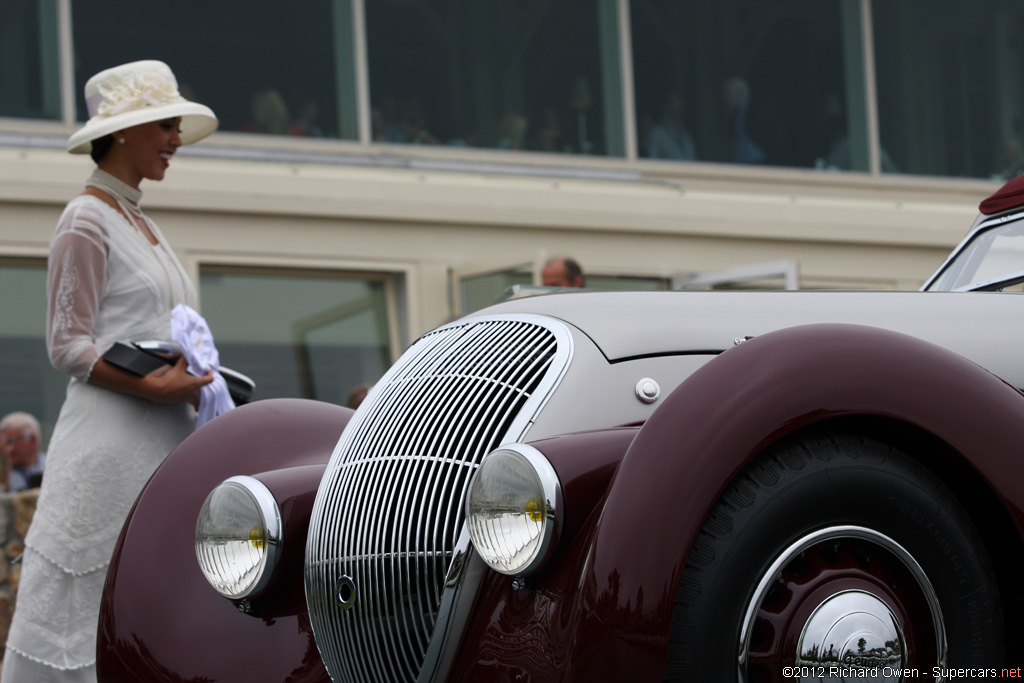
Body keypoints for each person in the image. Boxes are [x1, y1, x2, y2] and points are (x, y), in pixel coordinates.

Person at [1, 60, 218, 682]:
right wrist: (152, 384)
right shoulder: (86, 217)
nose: (176, 139)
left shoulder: (143, 223)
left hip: (164, 440)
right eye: (166, 125)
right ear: (125, 131)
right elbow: (67, 344)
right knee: (92, 606)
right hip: (112, 442)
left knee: (152, 603)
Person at [0, 411, 46, 492]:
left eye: (10, 441)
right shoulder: (4, 469)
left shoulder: (53, 467)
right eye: (2, 442)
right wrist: (5, 463)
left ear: (32, 440)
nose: (6, 449)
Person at [646, 92, 697, 161]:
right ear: (666, 107)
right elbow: (653, 162)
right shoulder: (657, 134)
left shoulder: (686, 136)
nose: (681, 107)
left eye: (680, 103)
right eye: (677, 103)